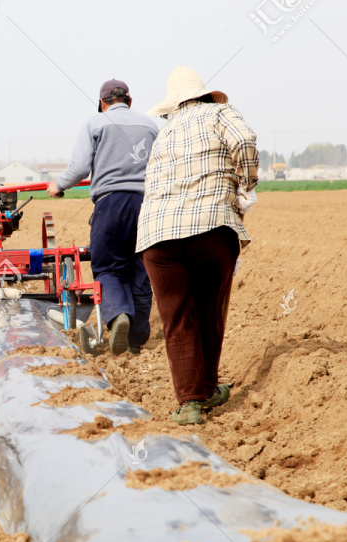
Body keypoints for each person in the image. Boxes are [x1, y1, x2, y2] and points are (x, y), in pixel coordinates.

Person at [136, 66, 259, 425]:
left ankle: (190, 402)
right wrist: (246, 184)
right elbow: (245, 140)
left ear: (173, 105)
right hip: (210, 228)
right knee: (210, 308)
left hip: (157, 236)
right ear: (205, 95)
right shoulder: (220, 112)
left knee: (177, 318)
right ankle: (206, 389)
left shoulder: (166, 132)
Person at [48, 79, 159, 355]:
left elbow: (80, 167)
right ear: (130, 101)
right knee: (141, 267)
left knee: (108, 267)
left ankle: (118, 314)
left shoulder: (95, 124)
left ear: (102, 104)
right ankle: (137, 338)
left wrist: (58, 185)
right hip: (147, 205)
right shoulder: (150, 126)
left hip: (111, 205)